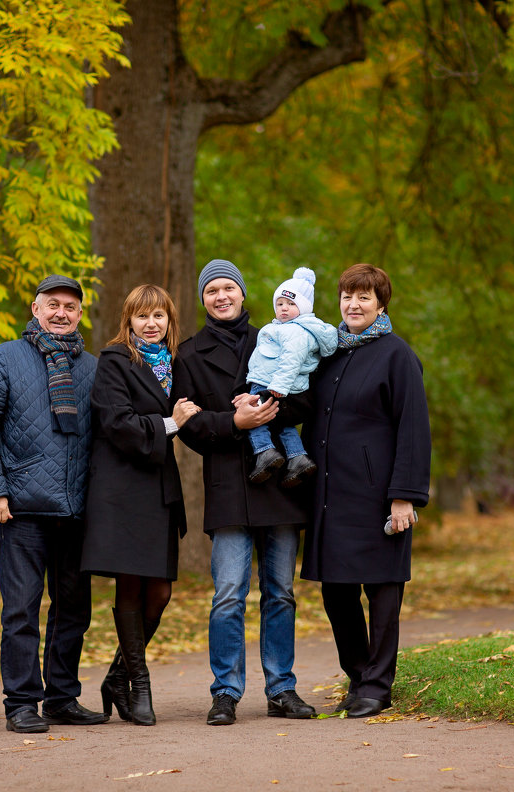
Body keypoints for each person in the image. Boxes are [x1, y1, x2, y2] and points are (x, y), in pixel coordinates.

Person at [174, 259, 318, 726]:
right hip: (228, 486)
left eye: (228, 288)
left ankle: (281, 689)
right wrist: (235, 422)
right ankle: (225, 693)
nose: (221, 296)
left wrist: (265, 408)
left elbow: (306, 398)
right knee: (229, 594)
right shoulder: (189, 354)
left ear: (242, 292)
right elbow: (190, 428)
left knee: (281, 592)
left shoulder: (278, 332)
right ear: (203, 299)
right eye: (212, 290)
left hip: (280, 483)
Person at [0, 274, 106, 733]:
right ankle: (21, 702)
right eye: (53, 304)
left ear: (80, 314)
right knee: (21, 610)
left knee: (73, 611)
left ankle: (62, 698)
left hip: (77, 511)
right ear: (35, 308)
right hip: (21, 508)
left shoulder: (94, 368)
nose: (62, 312)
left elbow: (106, 437)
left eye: (71, 306)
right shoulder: (6, 358)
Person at [300, 263, 431, 719]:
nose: (353, 305)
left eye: (364, 298)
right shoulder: (329, 352)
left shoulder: (398, 356)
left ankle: (378, 685)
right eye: (347, 297)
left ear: (381, 304)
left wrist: (404, 496)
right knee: (336, 592)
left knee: (382, 590)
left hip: (379, 495)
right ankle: (357, 675)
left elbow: (413, 430)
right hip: (330, 495)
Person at [81, 285, 200, 726]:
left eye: (159, 316)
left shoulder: (172, 366)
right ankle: (141, 684)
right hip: (123, 490)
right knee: (131, 587)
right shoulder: (115, 361)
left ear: (170, 321)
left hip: (159, 490)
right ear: (127, 321)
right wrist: (171, 422)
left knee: (162, 591)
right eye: (142, 316)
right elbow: (116, 423)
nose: (151, 323)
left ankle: (117, 676)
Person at [243, 267, 337, 487]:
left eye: (291, 304)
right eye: (280, 304)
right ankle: (297, 457)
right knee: (284, 425)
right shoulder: (287, 328)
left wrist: (278, 386)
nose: (284, 308)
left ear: (303, 308)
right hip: (276, 383)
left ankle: (264, 452)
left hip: (273, 384)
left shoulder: (296, 331)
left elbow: (291, 360)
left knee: (255, 416)